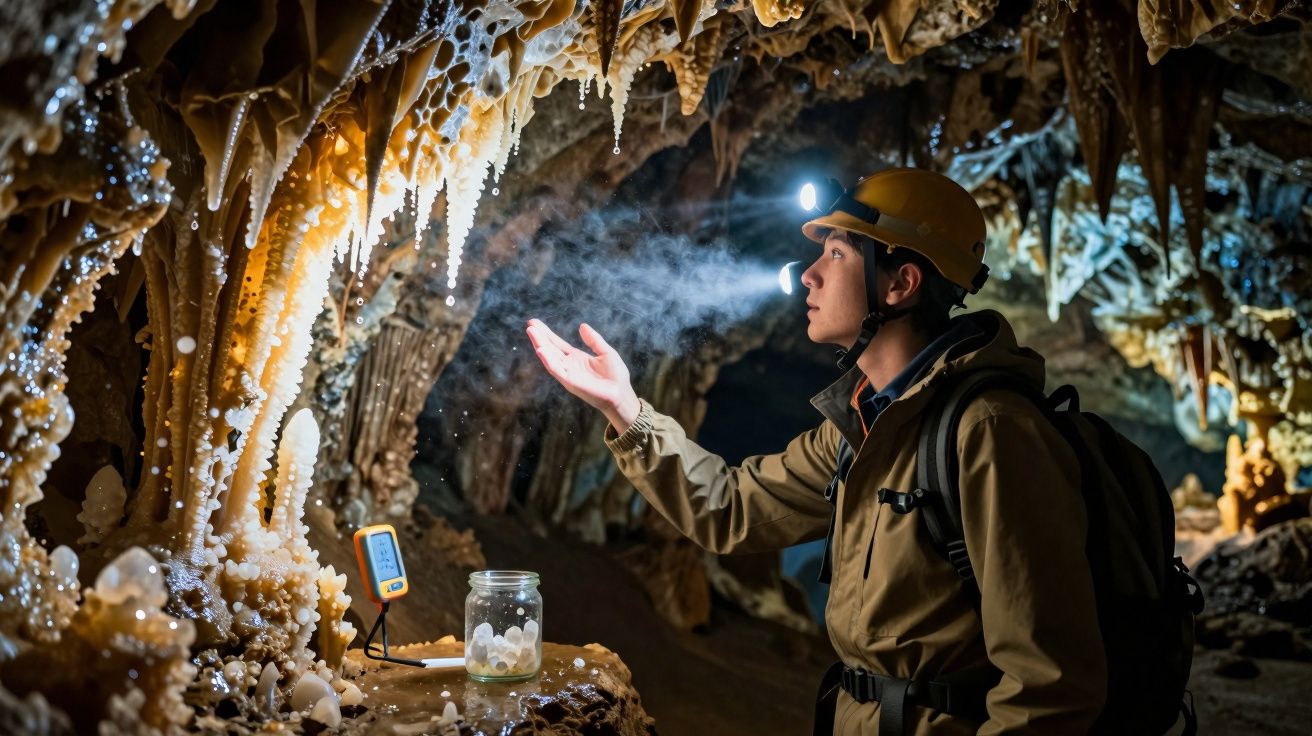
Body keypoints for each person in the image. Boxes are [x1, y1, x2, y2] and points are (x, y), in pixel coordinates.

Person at [525, 168, 1106, 735]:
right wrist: (624, 409)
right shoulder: (861, 425)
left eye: (836, 254)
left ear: (900, 284)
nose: (808, 276)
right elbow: (731, 508)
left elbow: (1048, 687)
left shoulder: (990, 432)